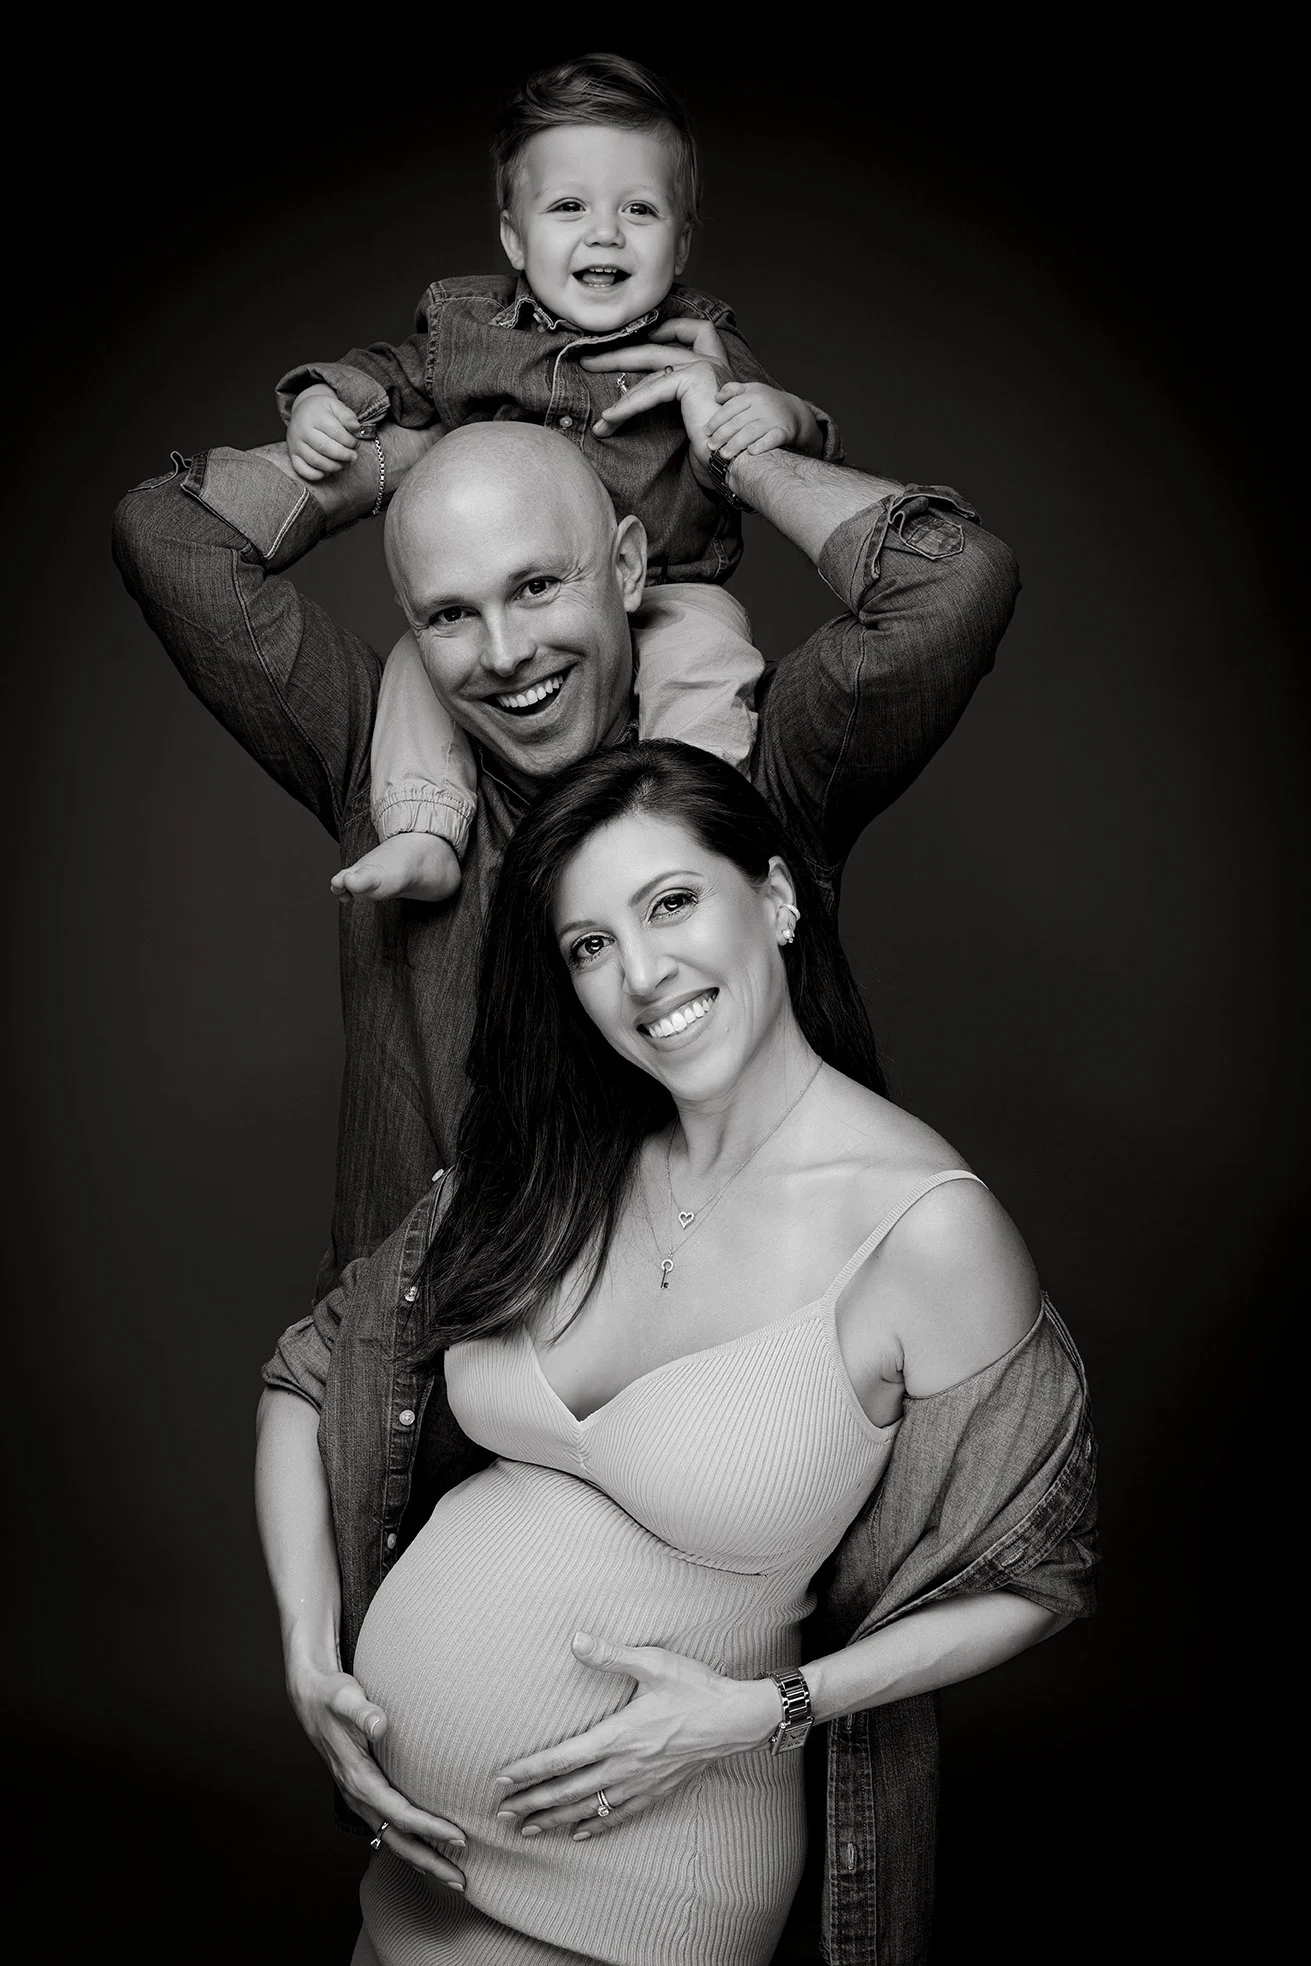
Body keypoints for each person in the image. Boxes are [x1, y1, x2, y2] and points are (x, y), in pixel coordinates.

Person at [258, 744, 1098, 1966]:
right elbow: (314, 1370)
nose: (641, 974)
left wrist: (765, 1712)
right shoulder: (556, 1162)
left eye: (671, 903)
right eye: (589, 944)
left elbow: (1036, 1576)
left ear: (775, 897)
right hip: (404, 1870)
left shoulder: (924, 1231)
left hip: (641, 1890)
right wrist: (307, 1653)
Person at [113, 335, 1019, 1301]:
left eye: (539, 586)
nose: (505, 652)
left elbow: (953, 582)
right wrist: (396, 464)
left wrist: (735, 458)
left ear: (629, 567)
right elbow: (168, 533)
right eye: (450, 615)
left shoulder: (762, 768)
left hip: (721, 1386)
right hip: (418, 1400)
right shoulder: (381, 759)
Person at [277, 53, 841, 908]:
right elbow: (385, 374)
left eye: (639, 210)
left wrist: (777, 416)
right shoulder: (467, 327)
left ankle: (697, 829)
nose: (604, 233)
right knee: (415, 668)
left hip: (671, 590)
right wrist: (326, 398)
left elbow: (789, 434)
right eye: (569, 207)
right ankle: (423, 828)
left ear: (682, 242)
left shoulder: (703, 339)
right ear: (514, 236)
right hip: (508, 597)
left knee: (710, 658)